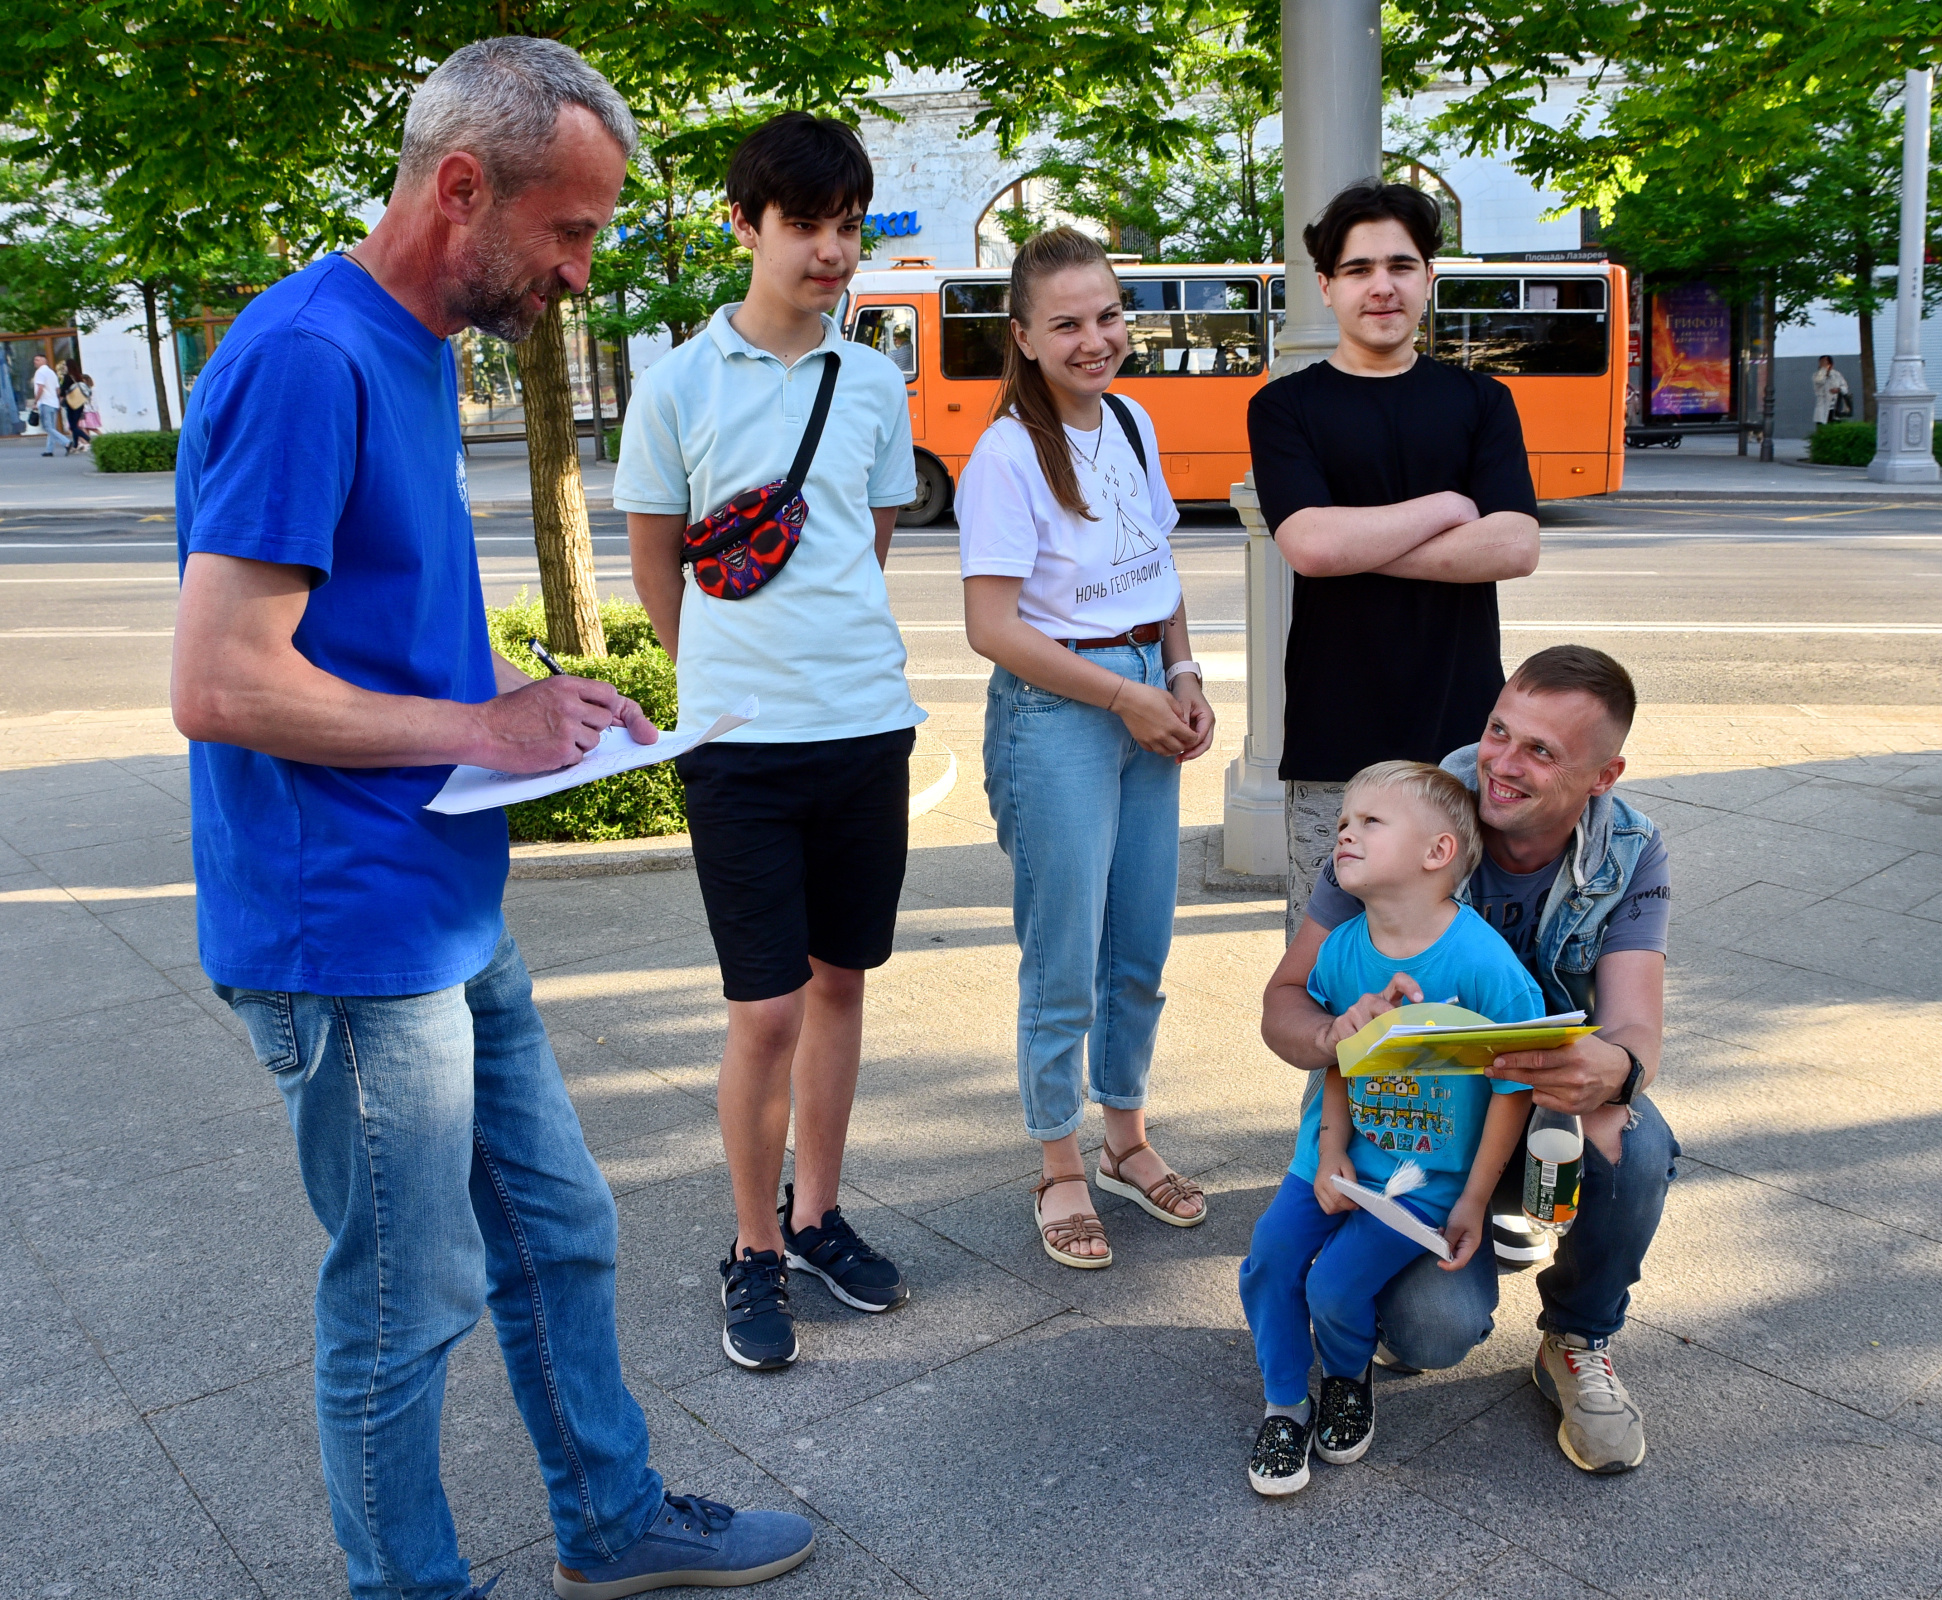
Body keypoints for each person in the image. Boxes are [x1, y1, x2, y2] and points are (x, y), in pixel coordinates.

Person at [171, 38, 815, 1600]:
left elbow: (368, 633)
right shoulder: (306, 357)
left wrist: (532, 697)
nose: (581, 272)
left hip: (439, 897)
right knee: (406, 1302)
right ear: (461, 187)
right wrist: (480, 728)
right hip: (346, 928)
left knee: (561, 1230)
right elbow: (223, 680)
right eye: (571, 230)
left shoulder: (410, 344)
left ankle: (610, 1519)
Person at [619, 113, 923, 1373]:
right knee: (765, 1008)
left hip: (867, 726)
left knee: (841, 983)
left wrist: (825, 661)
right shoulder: (677, 384)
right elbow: (654, 560)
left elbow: (868, 539)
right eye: (806, 225)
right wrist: (722, 680)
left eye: (848, 226)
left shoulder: (875, 381)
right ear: (745, 224)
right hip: (740, 749)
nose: (832, 251)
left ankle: (817, 1216)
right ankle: (751, 1247)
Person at [1261, 645, 1675, 1476]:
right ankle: (1450, 1246)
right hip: (1405, 1123)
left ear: (1602, 776)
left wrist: (1611, 1073)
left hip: (1531, 1096)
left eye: (1540, 751)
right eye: (1497, 731)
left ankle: (1577, 1337)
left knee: (1632, 1144)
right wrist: (1335, 1040)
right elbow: (1288, 1001)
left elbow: (1635, 1029)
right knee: (1429, 1333)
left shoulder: (1628, 850)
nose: (1501, 764)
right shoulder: (1403, 813)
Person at [955, 226, 1217, 1270]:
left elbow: (1158, 569)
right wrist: (1124, 696)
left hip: (1145, 691)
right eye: (1065, 323)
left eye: (1108, 315)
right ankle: (1059, 1162)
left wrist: (1182, 674)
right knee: (1063, 955)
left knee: (1139, 945)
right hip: (1060, 708)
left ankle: (1126, 1140)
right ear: (1023, 336)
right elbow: (991, 627)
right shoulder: (1006, 454)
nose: (1094, 338)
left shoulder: (1133, 422)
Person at [1247, 179, 1541, 938]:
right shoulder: (1284, 407)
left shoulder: (1481, 401)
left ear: (1428, 277)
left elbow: (1514, 545)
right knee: (1328, 965)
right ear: (1325, 286)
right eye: (1358, 269)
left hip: (1462, 741)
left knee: (1462, 958)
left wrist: (1350, 545)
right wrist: (1446, 507)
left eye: (1401, 266)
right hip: (1334, 737)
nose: (1381, 286)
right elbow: (1310, 546)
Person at [1238, 761, 1541, 1495]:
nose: (1345, 832)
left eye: (1370, 822)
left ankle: (1346, 1379)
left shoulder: (1485, 965)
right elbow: (1341, 1058)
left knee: (1335, 1288)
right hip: (1333, 1156)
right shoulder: (1343, 948)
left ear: (1438, 852)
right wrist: (1330, 1150)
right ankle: (1285, 1403)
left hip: (1424, 1182)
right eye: (1344, 820)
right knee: (1269, 1260)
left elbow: (1513, 1089)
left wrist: (1473, 1200)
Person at [31, 353, 67, 456]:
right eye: (35, 360)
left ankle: (66, 442)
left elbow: (40, 388)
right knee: (52, 428)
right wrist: (57, 401)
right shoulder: (52, 372)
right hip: (53, 403)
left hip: (45, 402)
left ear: (44, 361)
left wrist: (36, 401)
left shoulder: (40, 372)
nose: (35, 362)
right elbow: (58, 389)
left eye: (37, 360)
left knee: (47, 427)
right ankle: (49, 450)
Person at [62, 359, 95, 454]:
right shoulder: (78, 377)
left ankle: (89, 440)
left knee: (73, 426)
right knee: (75, 425)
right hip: (80, 404)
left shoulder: (68, 377)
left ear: (68, 366)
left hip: (71, 404)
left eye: (65, 365)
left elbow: (63, 391)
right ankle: (76, 445)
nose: (64, 367)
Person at [1812, 355, 1850, 426]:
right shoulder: (1816, 375)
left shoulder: (1837, 375)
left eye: (1825, 363)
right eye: (1821, 362)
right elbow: (1819, 381)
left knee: (1836, 425)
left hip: (1836, 407)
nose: (1823, 364)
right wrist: (1823, 370)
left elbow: (1845, 388)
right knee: (1823, 426)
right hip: (1823, 407)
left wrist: (1839, 389)